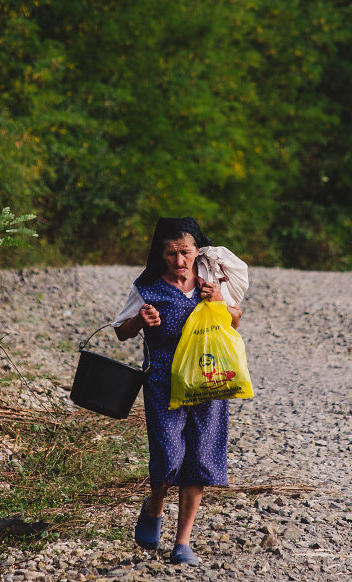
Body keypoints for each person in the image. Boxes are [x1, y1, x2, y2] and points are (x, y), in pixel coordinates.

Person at [113, 217, 242, 565]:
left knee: (199, 458)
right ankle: (154, 505)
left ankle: (182, 542)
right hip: (163, 384)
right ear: (161, 254)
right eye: (171, 253)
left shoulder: (212, 280)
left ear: (198, 250)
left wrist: (219, 301)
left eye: (185, 252)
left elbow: (235, 320)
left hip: (208, 381)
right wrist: (140, 321)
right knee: (169, 457)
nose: (179, 260)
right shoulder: (147, 287)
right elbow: (121, 331)